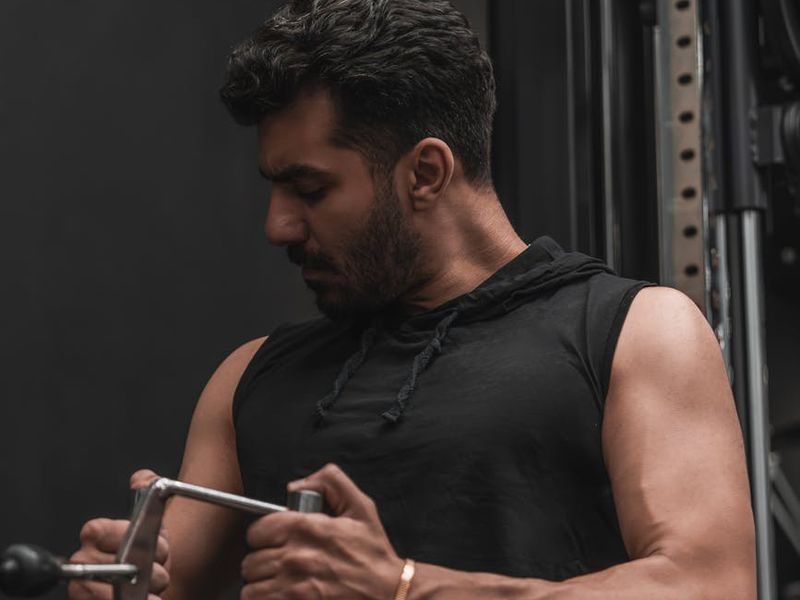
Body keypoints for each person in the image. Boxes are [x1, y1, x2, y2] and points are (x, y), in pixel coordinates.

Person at [67, 1, 756, 599]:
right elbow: (163, 582)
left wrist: (405, 588)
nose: (276, 226)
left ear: (426, 172)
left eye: (310, 190)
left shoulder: (633, 333)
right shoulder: (249, 378)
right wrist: (117, 582)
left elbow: (709, 586)